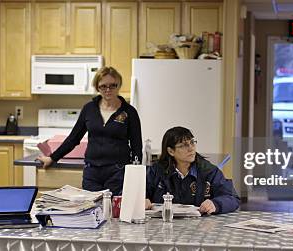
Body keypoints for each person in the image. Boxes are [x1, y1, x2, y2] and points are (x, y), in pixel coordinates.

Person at [37, 67, 142, 195]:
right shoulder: (89, 109)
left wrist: (136, 173)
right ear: (97, 87)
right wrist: (52, 158)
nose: (108, 90)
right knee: (90, 210)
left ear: (118, 85)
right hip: (92, 173)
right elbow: (73, 138)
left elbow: (137, 145)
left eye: (112, 86)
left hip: (118, 172)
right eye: (103, 86)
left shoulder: (129, 112)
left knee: (114, 212)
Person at [145, 127, 239, 215]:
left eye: (192, 142)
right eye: (184, 145)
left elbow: (232, 198)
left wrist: (215, 204)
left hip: (201, 227)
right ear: (171, 151)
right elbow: (139, 195)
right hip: (162, 226)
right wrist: (142, 201)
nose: (191, 148)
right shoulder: (156, 171)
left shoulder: (209, 171)